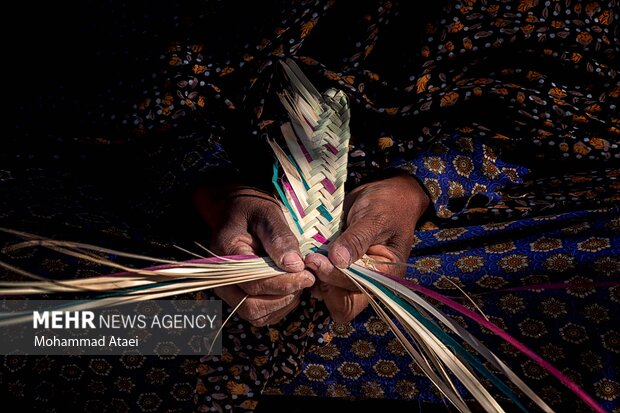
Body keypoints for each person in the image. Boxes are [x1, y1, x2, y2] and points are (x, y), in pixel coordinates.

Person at [3, 0, 619, 412]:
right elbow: (96, 76)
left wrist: (416, 188)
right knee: (36, 325)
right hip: (166, 202)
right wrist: (219, 191)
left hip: (450, 237)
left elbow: (572, 101)